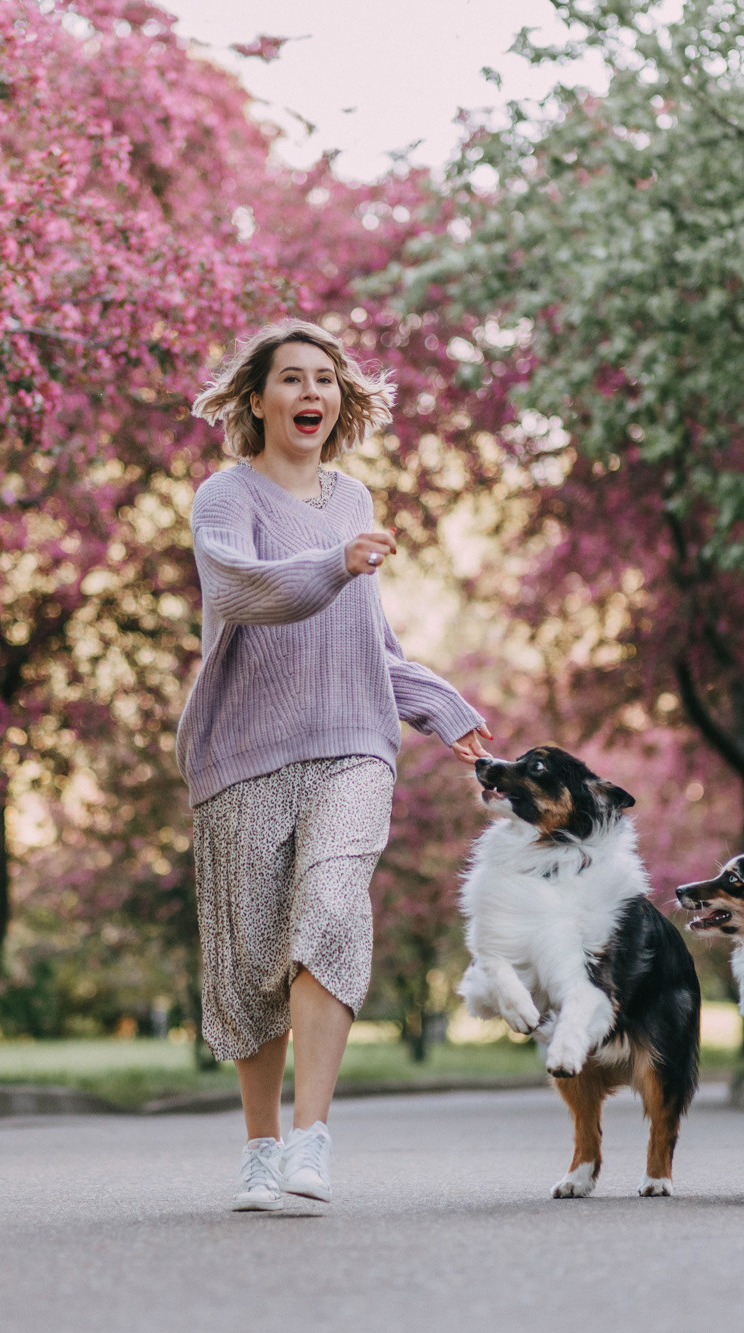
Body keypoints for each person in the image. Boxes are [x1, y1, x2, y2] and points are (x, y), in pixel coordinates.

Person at [180, 318, 493, 1211]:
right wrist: (333, 561)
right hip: (244, 751)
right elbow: (238, 588)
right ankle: (261, 1147)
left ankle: (312, 1136)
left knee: (329, 906)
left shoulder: (353, 502)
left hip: (354, 742)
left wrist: (440, 704)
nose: (310, 392)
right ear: (257, 398)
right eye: (291, 378)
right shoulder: (224, 496)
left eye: (325, 378)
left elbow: (367, 639)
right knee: (249, 966)